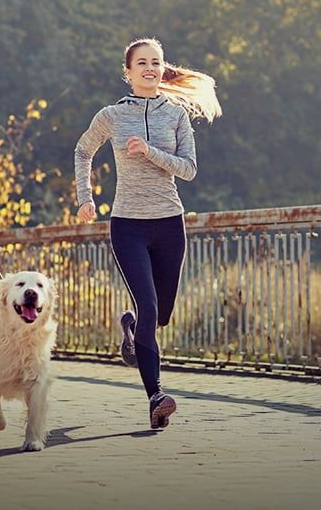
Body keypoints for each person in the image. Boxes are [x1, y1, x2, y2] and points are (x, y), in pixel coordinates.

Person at [74, 37, 221, 429]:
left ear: (162, 68)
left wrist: (150, 152)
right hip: (128, 225)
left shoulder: (175, 115)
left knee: (161, 314)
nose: (150, 68)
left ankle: (131, 328)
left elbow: (189, 169)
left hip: (170, 223)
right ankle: (156, 396)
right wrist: (86, 197)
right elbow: (83, 150)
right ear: (129, 71)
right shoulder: (111, 115)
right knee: (150, 306)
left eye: (156, 62)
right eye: (142, 63)